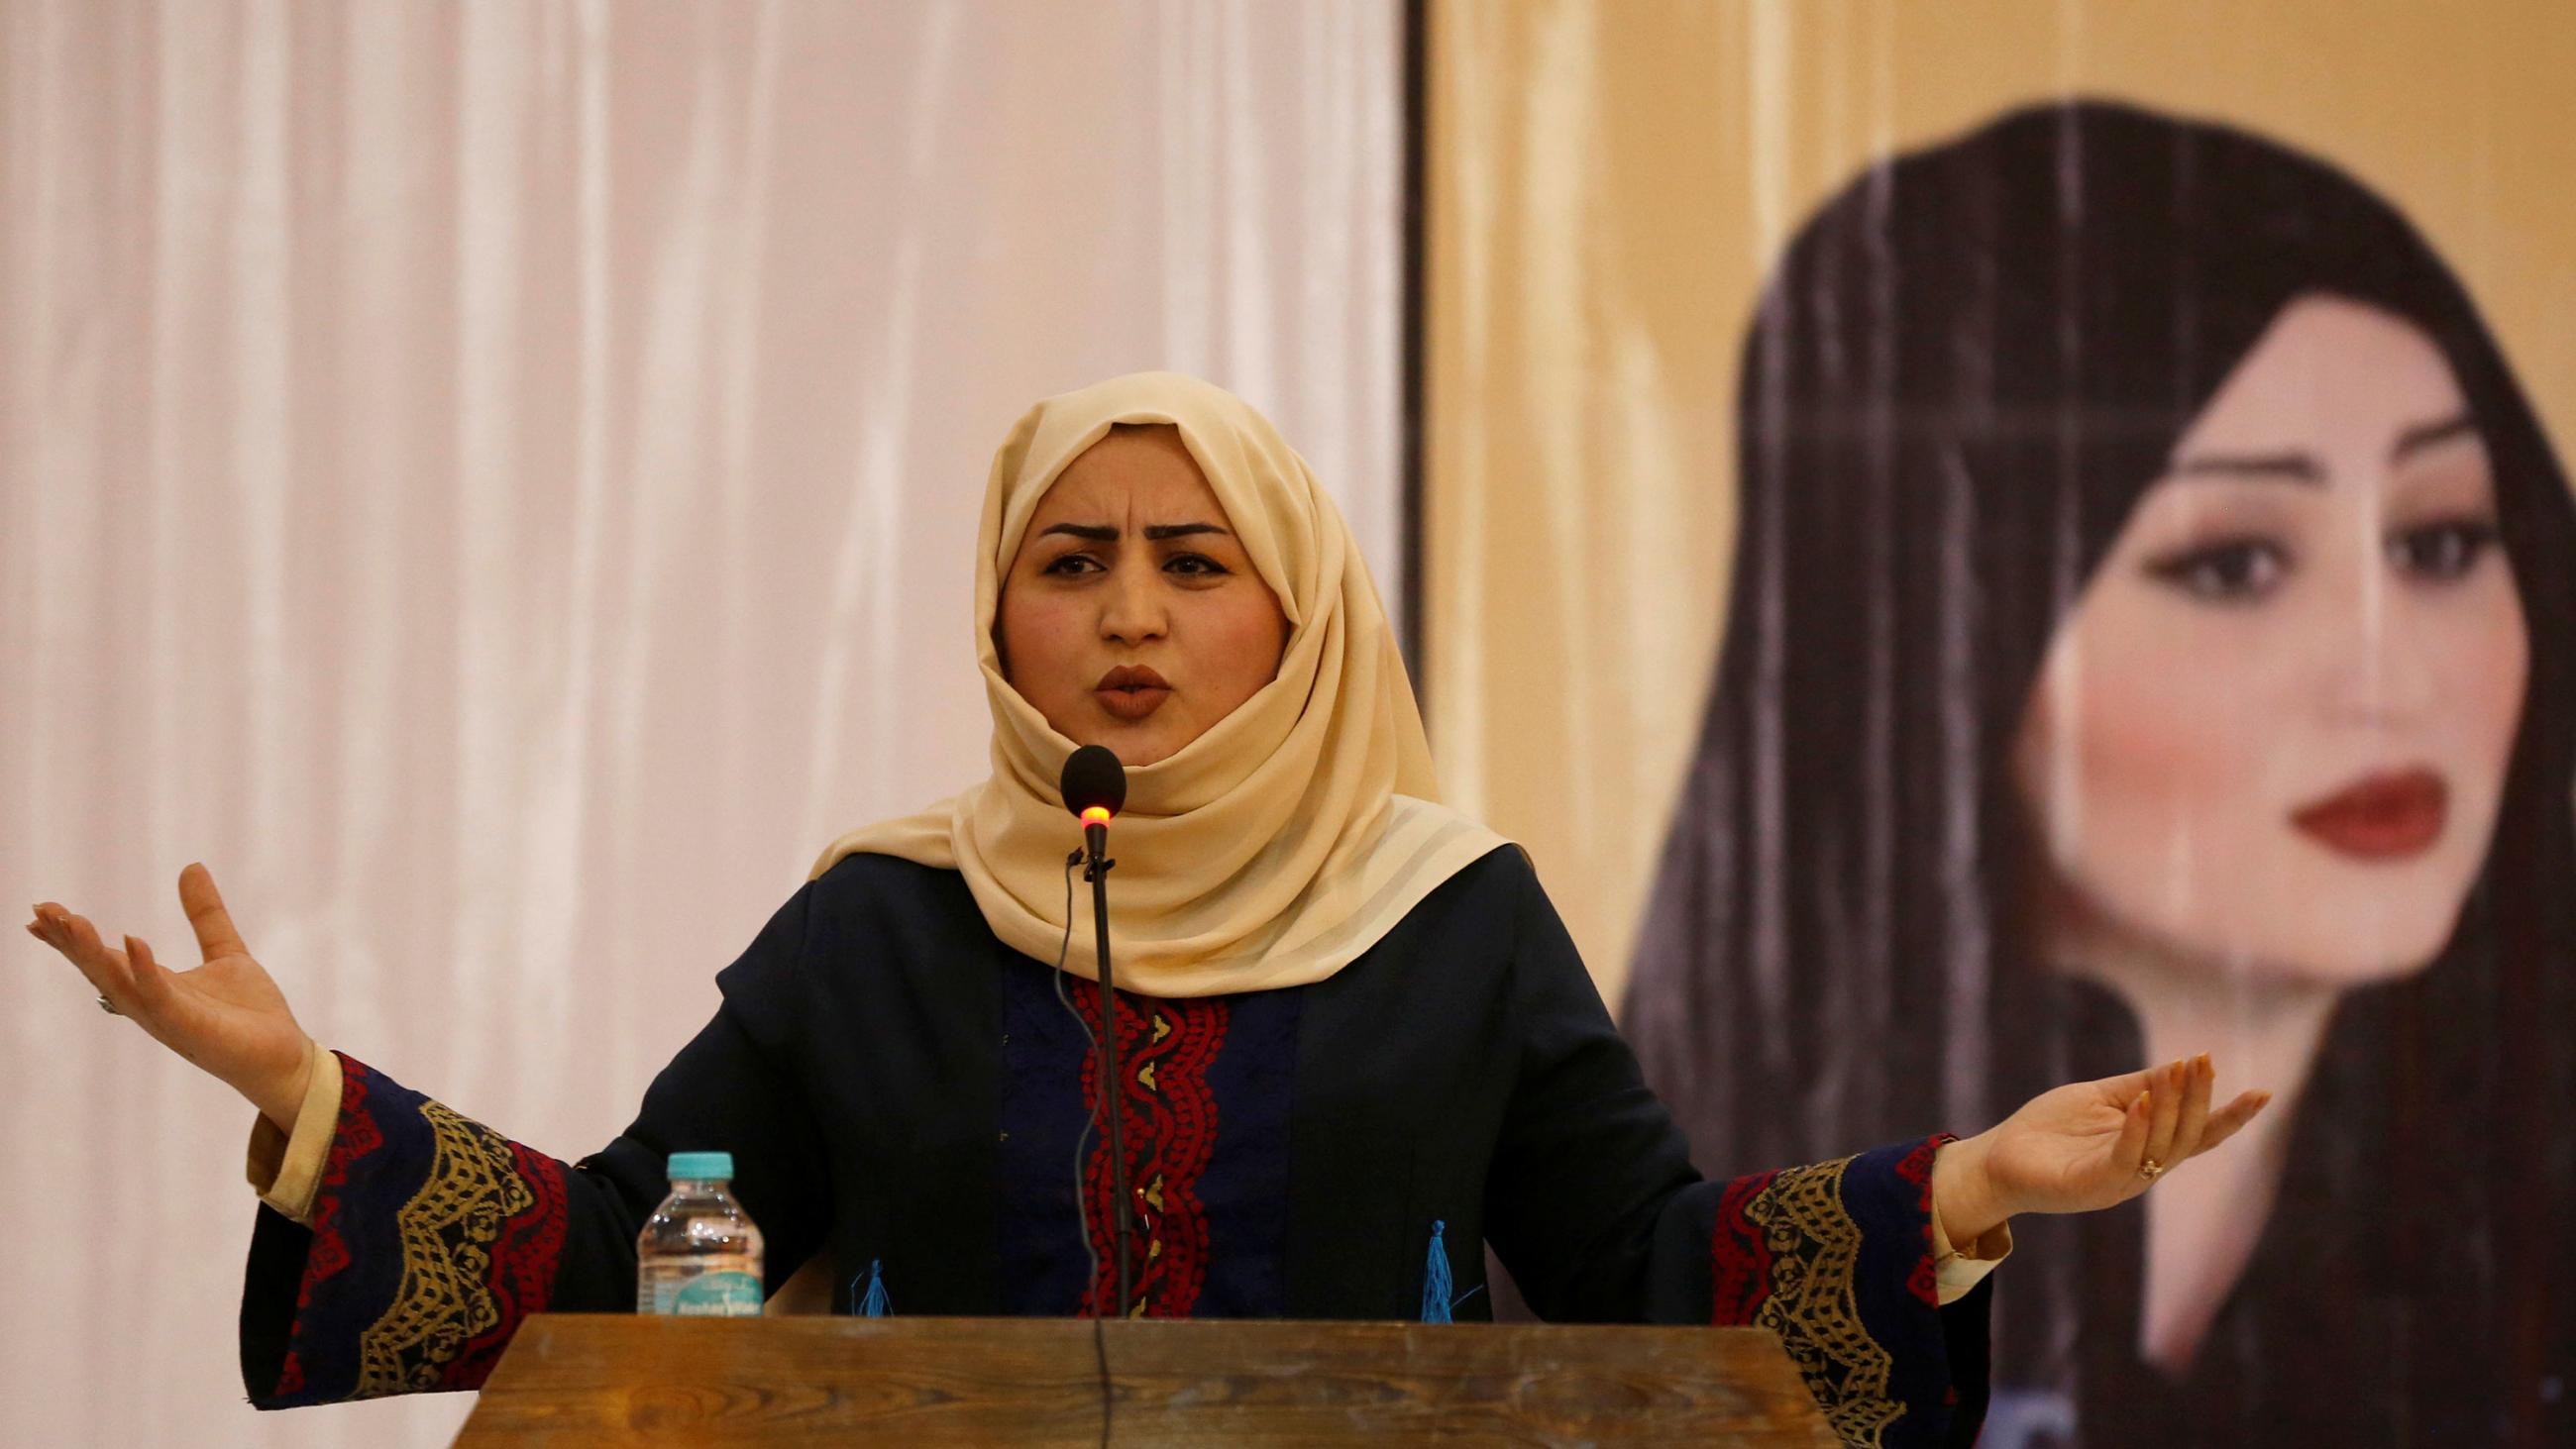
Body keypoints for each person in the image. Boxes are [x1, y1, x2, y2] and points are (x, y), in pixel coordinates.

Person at [30, 371, 2266, 1448]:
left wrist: (1967, 1189)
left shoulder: (1446, 910)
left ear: (1295, 618)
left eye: (1194, 563)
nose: (1127, 614)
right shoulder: (882, 924)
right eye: (1069, 557)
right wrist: (315, 1100)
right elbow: (646, 1261)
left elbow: (1638, 1278)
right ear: (996, 612)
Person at [1622, 101, 2576, 1447]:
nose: (2392, 675)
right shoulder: (1644, 1229)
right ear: (1939, 637)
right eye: (2234, 563)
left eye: (2439, 544)